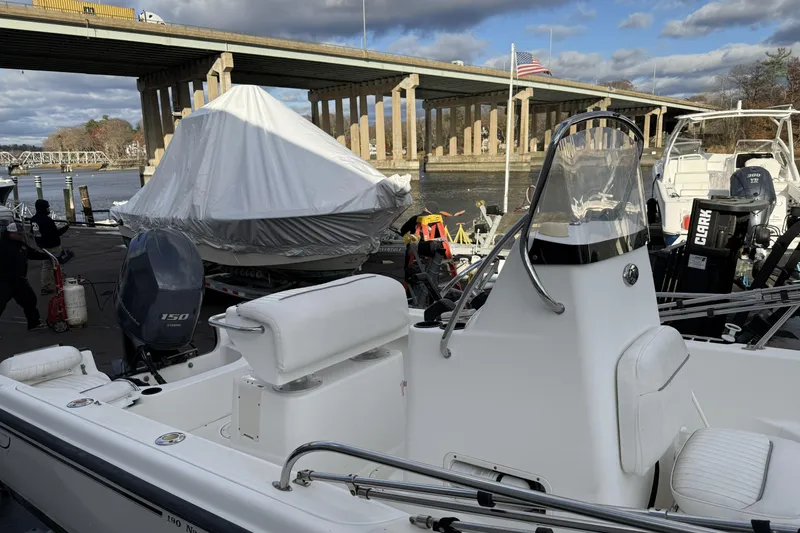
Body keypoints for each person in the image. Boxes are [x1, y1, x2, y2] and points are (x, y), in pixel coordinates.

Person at [0, 222, 48, 331]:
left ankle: (34, 324)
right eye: (19, 234)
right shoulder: (2, 246)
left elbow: (33, 254)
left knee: (30, 301)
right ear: (11, 234)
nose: (21, 236)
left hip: (19, 281)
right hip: (4, 281)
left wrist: (50, 257)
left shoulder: (21, 245)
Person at [30, 199, 69, 295]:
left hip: (42, 246)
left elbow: (32, 232)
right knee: (58, 264)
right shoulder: (47, 220)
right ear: (43, 208)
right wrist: (66, 227)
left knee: (46, 266)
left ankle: (45, 286)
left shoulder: (33, 219)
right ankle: (62, 284)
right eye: (47, 207)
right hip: (53, 246)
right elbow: (55, 234)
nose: (48, 209)